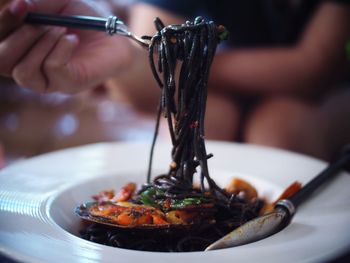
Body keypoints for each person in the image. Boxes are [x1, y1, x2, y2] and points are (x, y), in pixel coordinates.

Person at [0, 0, 349, 161]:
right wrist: (124, 56)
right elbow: (148, 73)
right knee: (202, 123)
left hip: (322, 97)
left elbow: (313, 70)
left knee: (279, 129)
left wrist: (186, 62)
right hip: (216, 92)